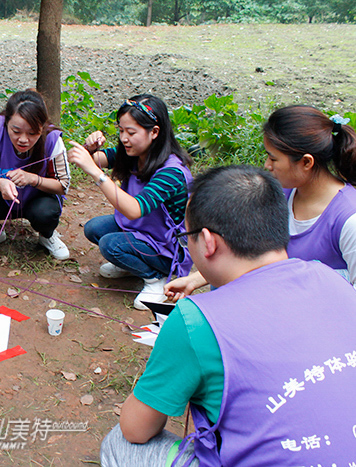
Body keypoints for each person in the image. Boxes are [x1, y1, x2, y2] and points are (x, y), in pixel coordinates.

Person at [100, 165, 356, 466]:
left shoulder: (196, 321)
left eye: (186, 236)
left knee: (118, 443)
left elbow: (136, 429)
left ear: (208, 242)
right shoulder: (332, 278)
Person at [165, 106, 356, 301]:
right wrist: (196, 280)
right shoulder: (280, 193)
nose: (267, 165)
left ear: (307, 162)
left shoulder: (348, 219)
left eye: (273, 158)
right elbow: (249, 255)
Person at [68, 94, 193, 310]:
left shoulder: (172, 171)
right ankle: (133, 266)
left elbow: (135, 210)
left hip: (167, 247)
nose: (124, 138)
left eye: (131, 132)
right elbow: (91, 160)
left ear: (154, 132)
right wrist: (89, 149)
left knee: (111, 245)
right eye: (121, 130)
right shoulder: (133, 153)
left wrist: (97, 174)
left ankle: (156, 278)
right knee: (94, 228)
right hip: (144, 231)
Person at [0, 89, 71, 260]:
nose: (23, 139)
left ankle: (46, 236)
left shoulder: (52, 138)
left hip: (37, 199)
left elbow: (62, 185)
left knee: (46, 214)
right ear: (6, 122)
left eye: (32, 133)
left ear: (42, 128)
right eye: (16, 131)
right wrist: (0, 184)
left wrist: (33, 179)